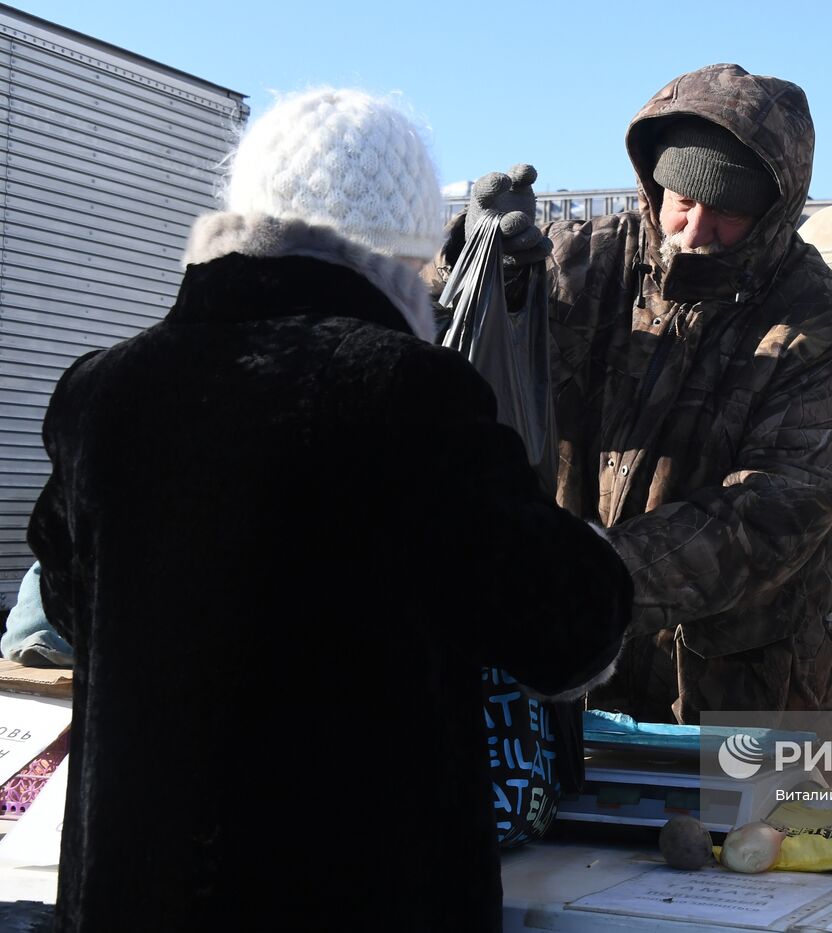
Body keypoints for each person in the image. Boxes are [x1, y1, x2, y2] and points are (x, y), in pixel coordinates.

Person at [28, 88, 631, 933]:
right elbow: (567, 622)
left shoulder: (101, 392)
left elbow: (64, 606)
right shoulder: (402, 390)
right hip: (354, 892)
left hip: (133, 892)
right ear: (404, 244)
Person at [437, 64, 832, 724]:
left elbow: (773, 510)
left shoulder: (817, 323)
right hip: (572, 680)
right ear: (654, 186)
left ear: (772, 210)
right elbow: (447, 358)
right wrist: (475, 264)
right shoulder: (580, 259)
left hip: (742, 690)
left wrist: (593, 572)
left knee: (762, 833)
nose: (696, 230)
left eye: (726, 213)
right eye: (683, 203)